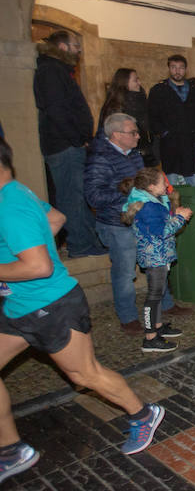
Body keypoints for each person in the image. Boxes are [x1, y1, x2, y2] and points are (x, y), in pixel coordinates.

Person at [0, 137, 166, 483]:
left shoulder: (8, 205)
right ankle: (11, 449)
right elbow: (57, 218)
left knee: (85, 375)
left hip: (51, 305)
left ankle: (143, 413)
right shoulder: (16, 191)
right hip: (18, 305)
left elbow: (40, 266)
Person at [85, 113, 189, 334]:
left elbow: (145, 185)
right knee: (124, 272)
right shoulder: (100, 158)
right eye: (133, 132)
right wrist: (130, 194)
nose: (138, 135)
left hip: (143, 219)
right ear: (116, 135)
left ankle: (166, 305)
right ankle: (128, 317)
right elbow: (93, 196)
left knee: (157, 264)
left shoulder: (134, 155)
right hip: (117, 223)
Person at [33, 30, 105, 258]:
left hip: (70, 145)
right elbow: (57, 110)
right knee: (71, 198)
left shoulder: (58, 70)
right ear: (63, 47)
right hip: (64, 146)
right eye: (76, 45)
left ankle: (90, 242)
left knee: (78, 196)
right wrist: (78, 139)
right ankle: (80, 247)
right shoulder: (50, 71)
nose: (80, 50)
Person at [120, 169, 192, 353]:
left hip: (160, 254)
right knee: (154, 295)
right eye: (163, 183)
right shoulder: (148, 206)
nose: (167, 185)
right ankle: (150, 337)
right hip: (155, 256)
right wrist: (180, 218)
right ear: (151, 187)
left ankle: (158, 326)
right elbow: (161, 231)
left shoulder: (155, 200)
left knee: (158, 293)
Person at [147, 54, 195, 187]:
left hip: (192, 145)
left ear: (186, 69)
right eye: (173, 67)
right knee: (173, 184)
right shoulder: (158, 90)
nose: (177, 71)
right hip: (170, 145)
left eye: (181, 68)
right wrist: (164, 133)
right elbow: (152, 117)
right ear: (169, 68)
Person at [98, 68, 156, 167]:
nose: (139, 82)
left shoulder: (141, 100)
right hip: (124, 156)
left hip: (144, 153)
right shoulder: (115, 106)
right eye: (135, 80)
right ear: (124, 83)